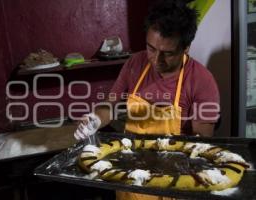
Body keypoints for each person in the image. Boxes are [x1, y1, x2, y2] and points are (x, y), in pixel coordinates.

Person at [74, 0, 220, 199]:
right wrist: (95, 119)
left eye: (167, 54)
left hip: (171, 181)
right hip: (129, 176)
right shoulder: (135, 64)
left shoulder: (201, 80)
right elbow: (109, 106)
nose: (155, 59)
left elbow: (201, 146)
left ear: (186, 48)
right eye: (151, 48)